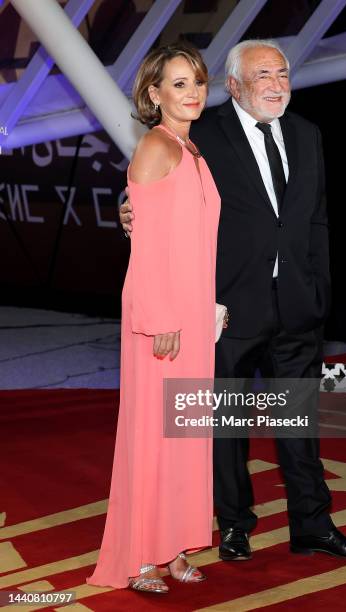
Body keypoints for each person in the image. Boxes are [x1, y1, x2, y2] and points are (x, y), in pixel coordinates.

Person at [120, 39, 346, 562]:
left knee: (298, 422)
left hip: (300, 308)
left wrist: (320, 289)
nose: (277, 85)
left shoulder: (308, 134)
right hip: (228, 309)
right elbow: (155, 196)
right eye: (264, 75)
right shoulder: (202, 135)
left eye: (283, 74)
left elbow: (316, 219)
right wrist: (127, 213)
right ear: (235, 85)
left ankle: (313, 524)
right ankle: (235, 525)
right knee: (226, 427)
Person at [87, 43, 220, 594]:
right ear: (153, 93)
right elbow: (146, 250)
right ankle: (141, 556)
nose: (192, 94)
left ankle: (173, 548)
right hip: (160, 319)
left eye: (198, 83)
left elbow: (187, 240)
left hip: (191, 315)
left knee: (185, 437)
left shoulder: (192, 152)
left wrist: (207, 305)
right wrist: (163, 314)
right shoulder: (155, 147)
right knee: (153, 437)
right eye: (180, 84)